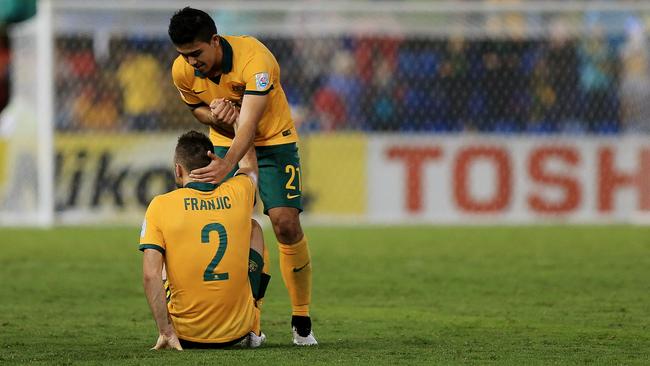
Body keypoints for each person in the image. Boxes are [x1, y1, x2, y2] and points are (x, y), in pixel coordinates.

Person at [168, 7, 317, 345]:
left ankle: (301, 317)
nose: (191, 63)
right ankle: (251, 322)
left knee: (285, 223)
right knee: (227, 224)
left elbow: (249, 126)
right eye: (184, 55)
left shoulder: (256, 60)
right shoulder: (182, 71)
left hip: (273, 140)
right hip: (224, 141)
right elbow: (197, 109)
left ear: (215, 41)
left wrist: (226, 163)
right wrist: (215, 113)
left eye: (196, 54)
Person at [139, 130, 270, 349]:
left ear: (178, 170)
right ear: (213, 162)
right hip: (237, 335)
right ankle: (253, 324)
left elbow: (150, 275)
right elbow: (249, 165)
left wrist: (165, 330)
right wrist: (239, 122)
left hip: (185, 337)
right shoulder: (239, 191)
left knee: (160, 255)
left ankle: (170, 330)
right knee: (254, 228)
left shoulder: (160, 205)